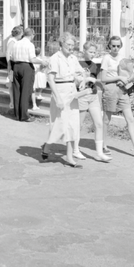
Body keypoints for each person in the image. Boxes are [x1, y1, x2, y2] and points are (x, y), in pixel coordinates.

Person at [41, 33, 92, 168]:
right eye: (68, 44)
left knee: (72, 124)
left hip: (72, 93)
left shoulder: (73, 58)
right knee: (59, 125)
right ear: (61, 44)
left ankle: (69, 157)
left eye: (73, 45)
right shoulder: (55, 58)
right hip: (60, 92)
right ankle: (47, 147)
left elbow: (80, 73)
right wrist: (57, 98)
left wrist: (82, 81)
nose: (71, 47)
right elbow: (51, 80)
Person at [99, 35, 134, 157]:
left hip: (123, 90)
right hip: (110, 90)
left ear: (121, 46)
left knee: (130, 119)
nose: (115, 48)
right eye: (113, 46)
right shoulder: (106, 58)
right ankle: (102, 145)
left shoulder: (123, 59)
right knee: (107, 120)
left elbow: (131, 74)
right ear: (109, 46)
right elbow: (103, 78)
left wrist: (126, 80)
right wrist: (118, 77)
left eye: (118, 46)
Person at [77, 41, 111, 162]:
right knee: (79, 124)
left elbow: (97, 80)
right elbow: (76, 80)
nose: (93, 54)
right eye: (90, 52)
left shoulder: (94, 65)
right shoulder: (78, 63)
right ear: (84, 51)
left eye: (94, 52)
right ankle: (75, 149)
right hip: (82, 96)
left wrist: (95, 81)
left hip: (93, 95)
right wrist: (86, 79)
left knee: (99, 123)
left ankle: (99, 153)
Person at [10, 27, 47, 122]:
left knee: (17, 91)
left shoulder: (16, 43)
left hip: (16, 66)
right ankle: (24, 116)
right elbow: (32, 59)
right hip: (26, 67)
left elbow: (12, 57)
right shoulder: (30, 45)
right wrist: (43, 62)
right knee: (25, 91)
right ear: (32, 35)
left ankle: (17, 114)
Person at [6, 26, 24, 110]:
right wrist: (9, 63)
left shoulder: (15, 40)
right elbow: (8, 52)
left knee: (13, 82)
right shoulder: (12, 41)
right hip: (12, 63)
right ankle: (12, 102)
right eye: (21, 33)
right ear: (18, 33)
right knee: (11, 82)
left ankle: (14, 101)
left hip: (13, 63)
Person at [31, 46, 48, 110]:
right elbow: (43, 68)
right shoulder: (41, 60)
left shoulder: (33, 60)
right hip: (40, 74)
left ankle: (34, 102)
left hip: (34, 74)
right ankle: (39, 94)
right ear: (40, 53)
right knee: (40, 85)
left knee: (34, 88)